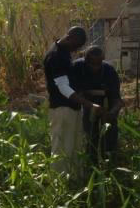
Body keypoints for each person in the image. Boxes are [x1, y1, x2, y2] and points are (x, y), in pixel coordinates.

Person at [44, 26, 102, 175]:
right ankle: (59, 184)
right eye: (76, 45)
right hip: (62, 108)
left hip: (72, 107)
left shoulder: (64, 52)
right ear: (69, 37)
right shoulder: (56, 56)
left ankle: (74, 180)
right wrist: (89, 104)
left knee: (75, 147)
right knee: (62, 148)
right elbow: (63, 87)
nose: (76, 49)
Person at [72, 46, 124, 164]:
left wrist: (112, 113)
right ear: (85, 61)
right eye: (92, 64)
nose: (95, 67)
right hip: (85, 103)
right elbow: (74, 94)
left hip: (106, 103)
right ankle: (91, 162)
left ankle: (109, 161)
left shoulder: (109, 71)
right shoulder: (77, 68)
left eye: (98, 64)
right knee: (90, 134)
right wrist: (90, 105)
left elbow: (117, 99)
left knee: (110, 131)